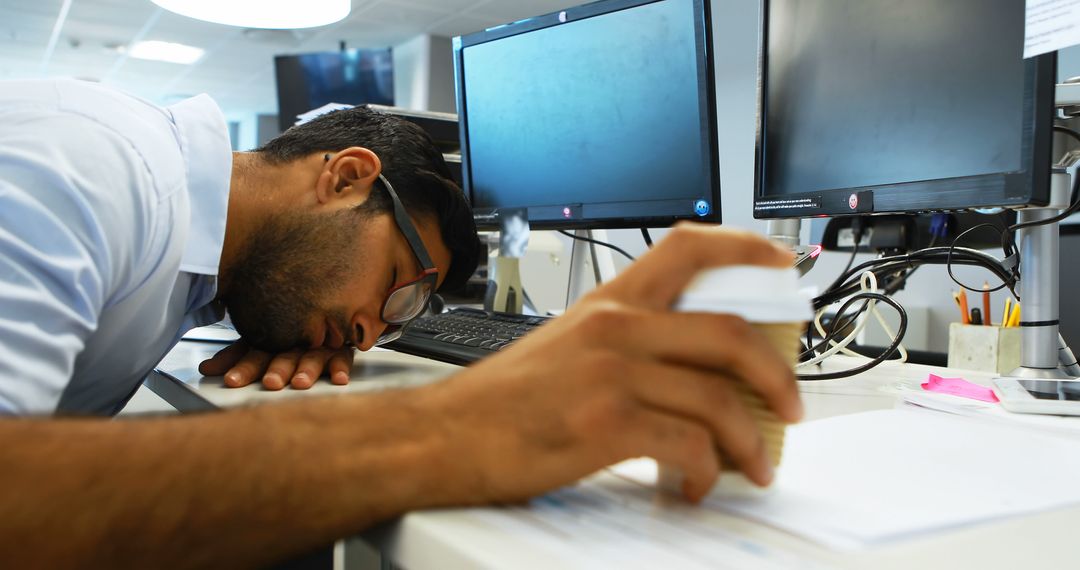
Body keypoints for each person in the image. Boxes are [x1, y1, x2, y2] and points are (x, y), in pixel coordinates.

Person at [0, 79, 801, 567]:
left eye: (404, 315)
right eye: (396, 287)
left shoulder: (202, 259)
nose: (371, 333)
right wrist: (458, 427)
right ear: (348, 177)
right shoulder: (90, 167)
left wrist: (284, 320)